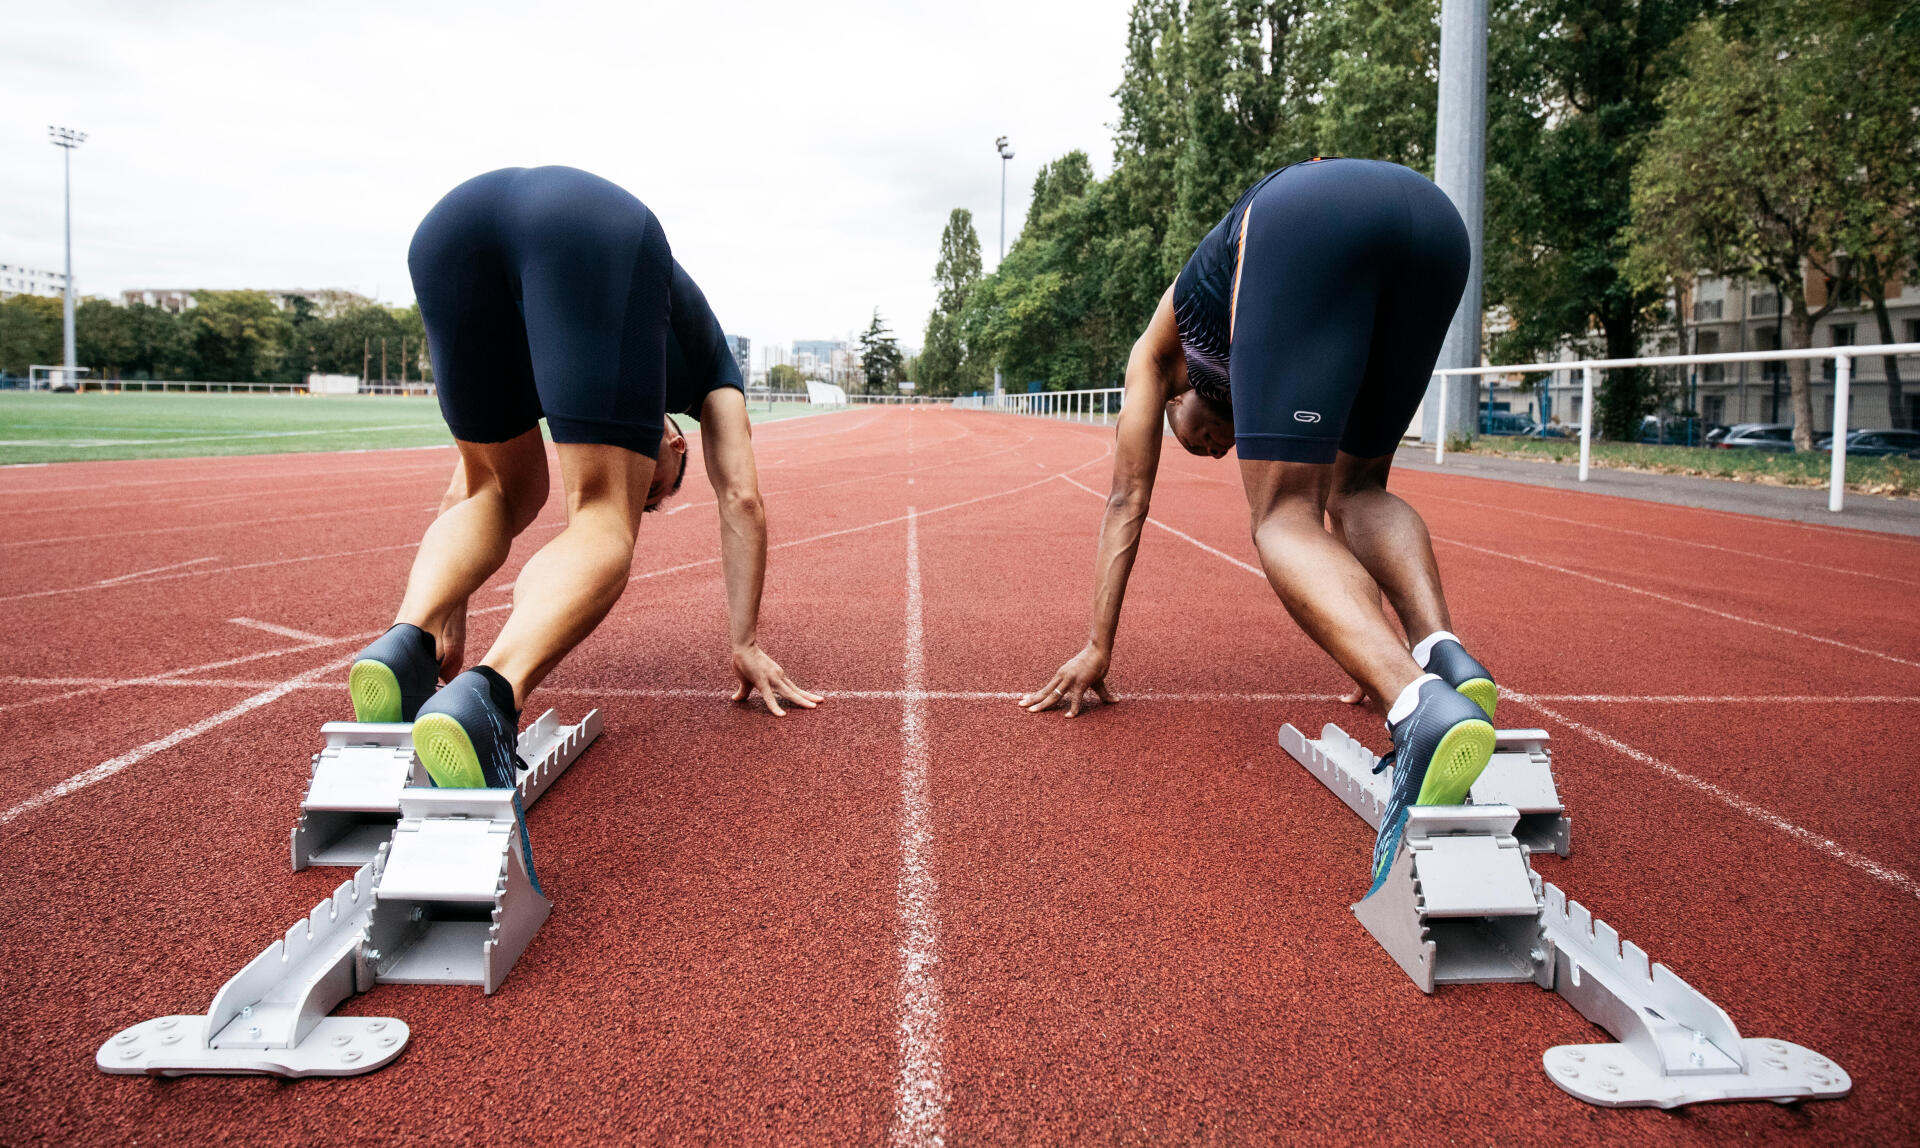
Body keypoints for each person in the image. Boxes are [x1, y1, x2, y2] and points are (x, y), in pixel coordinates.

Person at [1018, 157, 1497, 896]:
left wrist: (1097, 646)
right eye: (1224, 446)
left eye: (1200, 440)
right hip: (1435, 224)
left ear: (1178, 395)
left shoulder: (1157, 351)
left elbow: (1126, 499)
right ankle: (1445, 663)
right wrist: (1367, 647)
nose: (1221, 447)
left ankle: (1417, 706)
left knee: (1282, 516)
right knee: (1358, 486)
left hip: (1308, 216)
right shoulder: (1259, 354)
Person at [346, 166, 821, 879]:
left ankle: (400, 644)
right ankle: (489, 694)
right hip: (595, 226)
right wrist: (744, 640)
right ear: (675, 443)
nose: (646, 497)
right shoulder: (712, 374)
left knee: (505, 491)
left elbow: (466, 494)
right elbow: (742, 498)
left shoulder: (582, 352)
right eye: (656, 490)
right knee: (597, 517)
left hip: (453, 228)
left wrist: (444, 616)